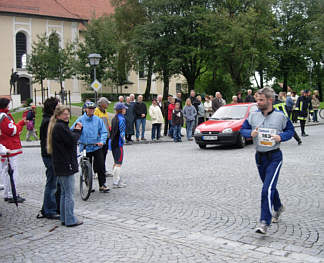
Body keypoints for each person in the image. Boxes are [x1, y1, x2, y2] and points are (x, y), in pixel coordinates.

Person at [240, 87, 294, 234]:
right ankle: (278, 207)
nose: (257, 102)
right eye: (257, 99)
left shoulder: (280, 116)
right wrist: (250, 133)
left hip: (275, 157)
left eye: (261, 100)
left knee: (266, 189)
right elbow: (242, 129)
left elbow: (291, 131)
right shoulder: (253, 116)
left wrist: (281, 137)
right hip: (259, 157)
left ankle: (264, 222)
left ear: (270, 100)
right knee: (269, 186)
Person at [47, 105, 83, 227]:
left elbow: (68, 138)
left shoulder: (59, 126)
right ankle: (70, 219)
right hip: (65, 164)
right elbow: (72, 140)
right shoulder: (60, 127)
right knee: (69, 194)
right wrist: (78, 130)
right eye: (64, 114)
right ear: (58, 116)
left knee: (63, 192)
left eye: (68, 113)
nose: (67, 116)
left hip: (61, 163)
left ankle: (64, 217)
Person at [71, 101, 109, 192]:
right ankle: (88, 184)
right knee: (86, 166)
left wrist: (102, 141)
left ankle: (102, 184)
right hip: (85, 146)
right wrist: (76, 139)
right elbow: (72, 130)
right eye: (89, 109)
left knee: (100, 165)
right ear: (85, 109)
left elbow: (104, 132)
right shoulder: (80, 120)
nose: (91, 110)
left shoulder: (98, 120)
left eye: (93, 109)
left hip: (96, 146)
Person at [0, 97, 26, 203]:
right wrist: (20, 124)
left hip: (6, 147)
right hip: (9, 147)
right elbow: (11, 130)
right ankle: (11, 194)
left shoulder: (3, 115)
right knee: (12, 172)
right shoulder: (3, 116)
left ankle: (8, 193)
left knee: (6, 171)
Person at [38, 97, 60, 219]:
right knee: (52, 183)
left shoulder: (50, 119)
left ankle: (48, 207)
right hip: (50, 155)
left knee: (54, 183)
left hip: (50, 155)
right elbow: (50, 141)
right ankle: (49, 210)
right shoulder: (48, 121)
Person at [109, 103, 127, 188]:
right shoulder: (122, 119)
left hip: (113, 142)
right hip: (118, 143)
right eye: (124, 109)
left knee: (115, 161)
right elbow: (122, 133)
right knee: (118, 163)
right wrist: (123, 141)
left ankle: (117, 179)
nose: (125, 110)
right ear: (121, 110)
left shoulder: (114, 118)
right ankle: (116, 182)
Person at [94, 97, 112, 176]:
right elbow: (95, 124)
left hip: (106, 136)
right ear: (102, 104)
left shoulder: (105, 111)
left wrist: (110, 132)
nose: (108, 104)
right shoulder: (96, 111)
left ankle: (103, 169)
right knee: (98, 155)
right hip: (99, 137)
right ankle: (96, 171)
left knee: (104, 154)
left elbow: (108, 123)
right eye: (106, 103)